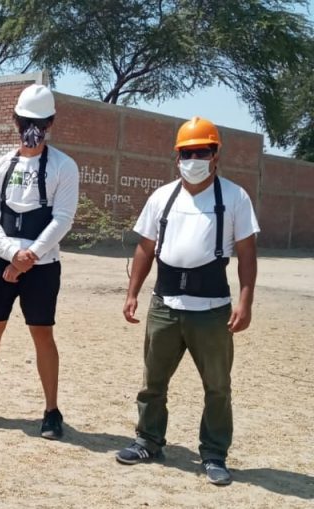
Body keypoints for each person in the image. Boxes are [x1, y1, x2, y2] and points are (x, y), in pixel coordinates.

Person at [115, 116, 259, 486]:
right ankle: (148, 440)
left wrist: (246, 301)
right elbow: (146, 247)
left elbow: (246, 253)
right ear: (176, 156)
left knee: (217, 386)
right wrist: (132, 292)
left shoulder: (234, 197)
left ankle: (213, 453)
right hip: (164, 305)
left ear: (215, 155)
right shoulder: (162, 197)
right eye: (186, 152)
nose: (193, 158)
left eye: (201, 151)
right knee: (153, 381)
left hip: (211, 310)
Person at [0, 84, 79, 439]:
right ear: (15, 120)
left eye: (38, 121)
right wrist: (12, 254)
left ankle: (52, 411)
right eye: (25, 120)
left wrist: (31, 257)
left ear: (51, 122)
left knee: (42, 333)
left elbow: (63, 218)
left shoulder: (63, 166)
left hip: (43, 264)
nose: (31, 128)